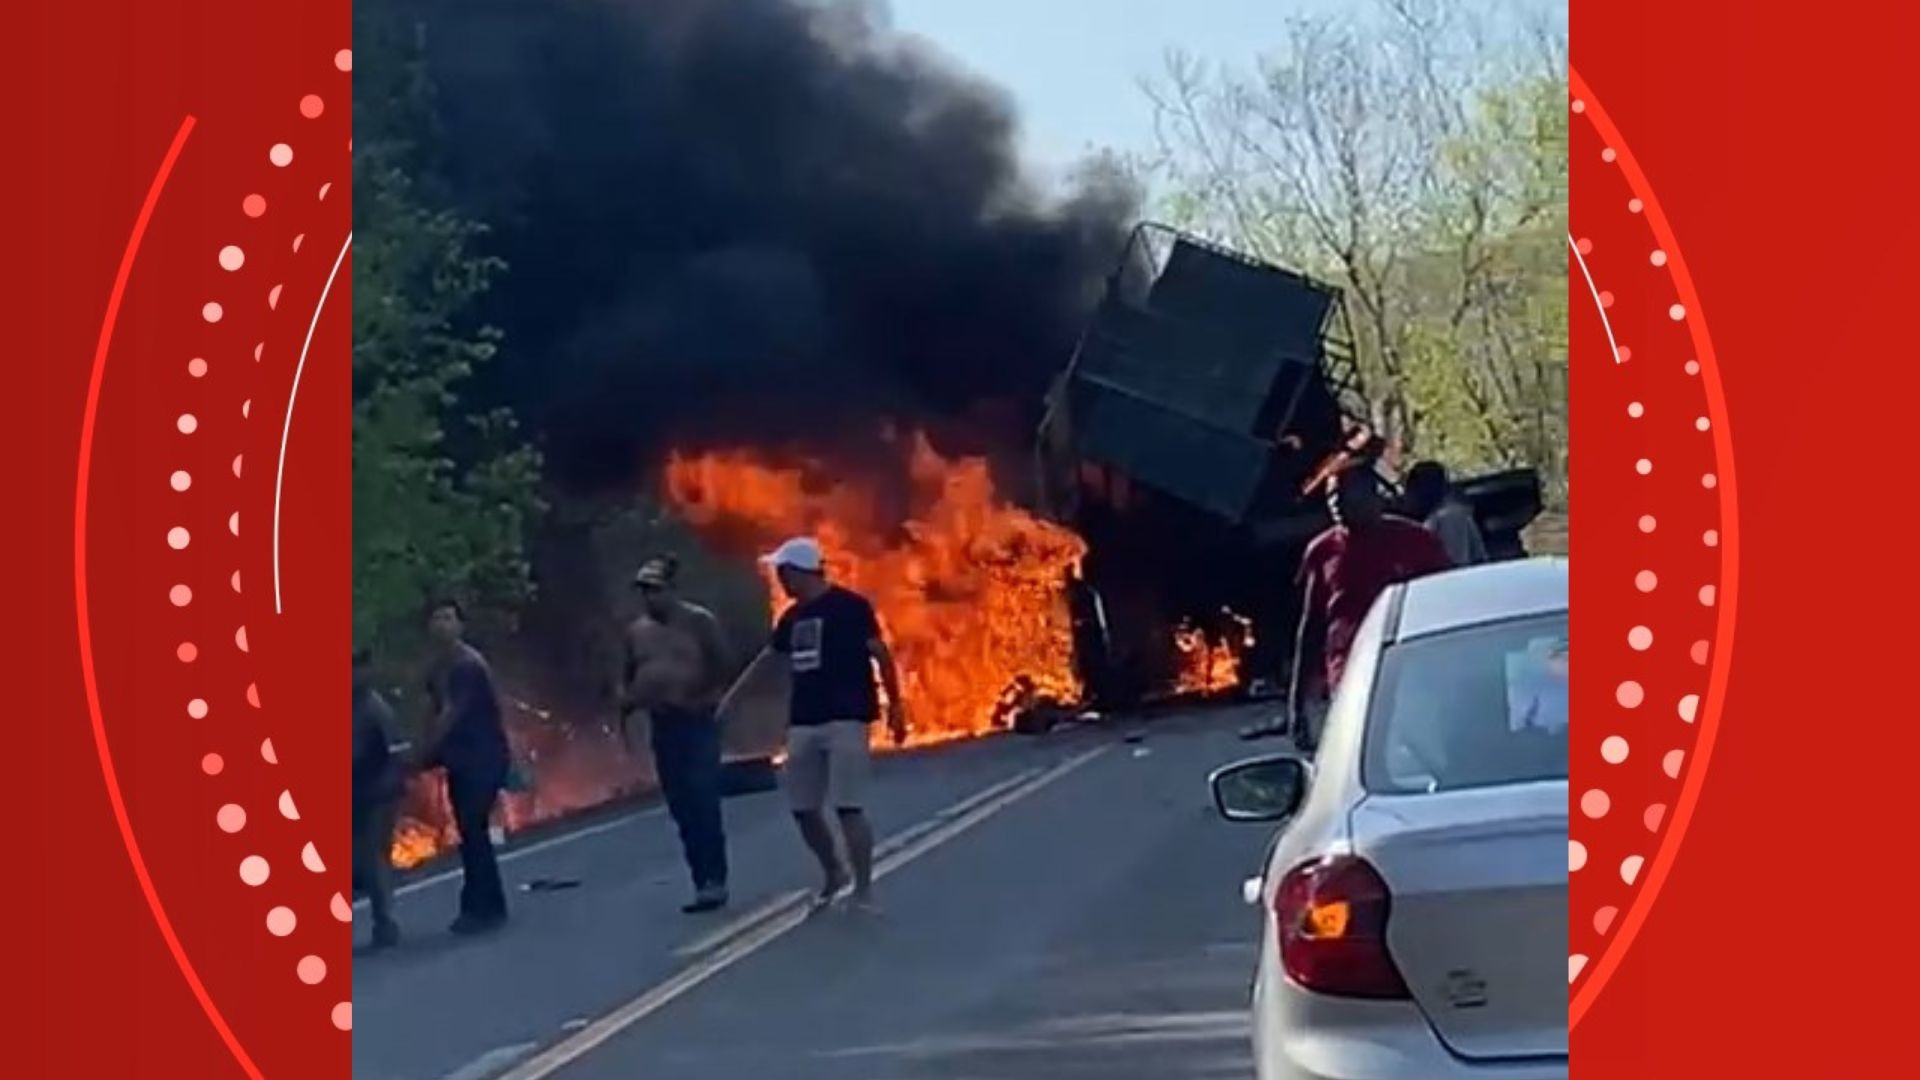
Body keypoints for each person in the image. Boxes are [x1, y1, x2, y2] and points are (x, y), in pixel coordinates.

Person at [719, 537, 907, 913]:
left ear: (800, 571)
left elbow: (880, 654)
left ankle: (864, 889)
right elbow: (769, 660)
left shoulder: (850, 607)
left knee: (847, 806)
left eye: (783, 573)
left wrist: (896, 706)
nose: (780, 581)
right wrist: (731, 701)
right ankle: (834, 872)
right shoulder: (792, 618)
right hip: (804, 720)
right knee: (803, 807)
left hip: (847, 717)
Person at [1282, 466, 1452, 751]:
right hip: (1349, 678)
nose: (1335, 504)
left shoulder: (1416, 542)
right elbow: (1311, 626)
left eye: (1343, 495)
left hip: (1411, 673)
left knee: (1423, 751)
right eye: (1331, 496)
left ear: (1373, 495)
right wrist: (1297, 705)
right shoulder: (1322, 551)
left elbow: (1448, 600)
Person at [621, 554, 735, 914]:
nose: (649, 599)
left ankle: (715, 879)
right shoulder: (636, 632)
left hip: (697, 722)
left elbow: (724, 667)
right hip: (664, 725)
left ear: (672, 590)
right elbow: (628, 676)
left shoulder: (700, 622)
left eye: (655, 591)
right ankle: (700, 878)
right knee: (681, 805)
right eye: (644, 592)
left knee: (703, 798)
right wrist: (629, 705)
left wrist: (700, 696)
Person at [421, 600, 511, 935]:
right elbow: (433, 711)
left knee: (473, 828)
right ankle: (485, 902)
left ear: (461, 624)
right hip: (461, 760)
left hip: (483, 757)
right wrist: (425, 747)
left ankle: (482, 905)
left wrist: (424, 753)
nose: (442, 624)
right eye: (436, 618)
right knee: (470, 829)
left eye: (448, 617)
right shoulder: (438, 668)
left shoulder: (467, 665)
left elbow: (450, 715)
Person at [352, 650, 402, 950]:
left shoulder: (374, 708)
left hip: (379, 792)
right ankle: (381, 919)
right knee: (365, 857)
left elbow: (395, 751)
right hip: (358, 791)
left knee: (373, 857)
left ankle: (385, 922)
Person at [1403, 460, 1489, 568]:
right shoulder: (1436, 518)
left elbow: (1456, 567)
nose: (1406, 498)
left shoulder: (1449, 517)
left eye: (1410, 490)